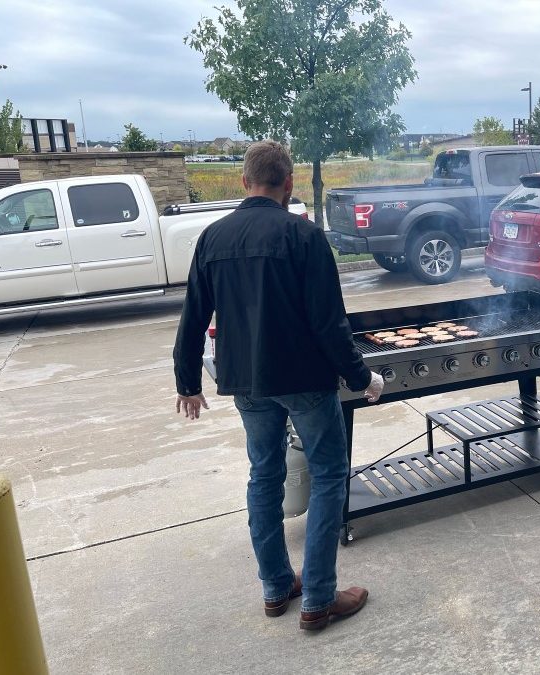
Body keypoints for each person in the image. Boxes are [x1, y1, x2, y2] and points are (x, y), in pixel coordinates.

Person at [172, 140, 384, 631]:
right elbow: (331, 325)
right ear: (288, 184)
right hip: (306, 379)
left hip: (247, 382)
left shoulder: (213, 238)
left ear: (245, 183)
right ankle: (319, 599)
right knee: (329, 474)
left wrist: (187, 380)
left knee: (263, 477)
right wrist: (362, 378)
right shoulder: (305, 237)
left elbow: (192, 318)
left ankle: (276, 588)